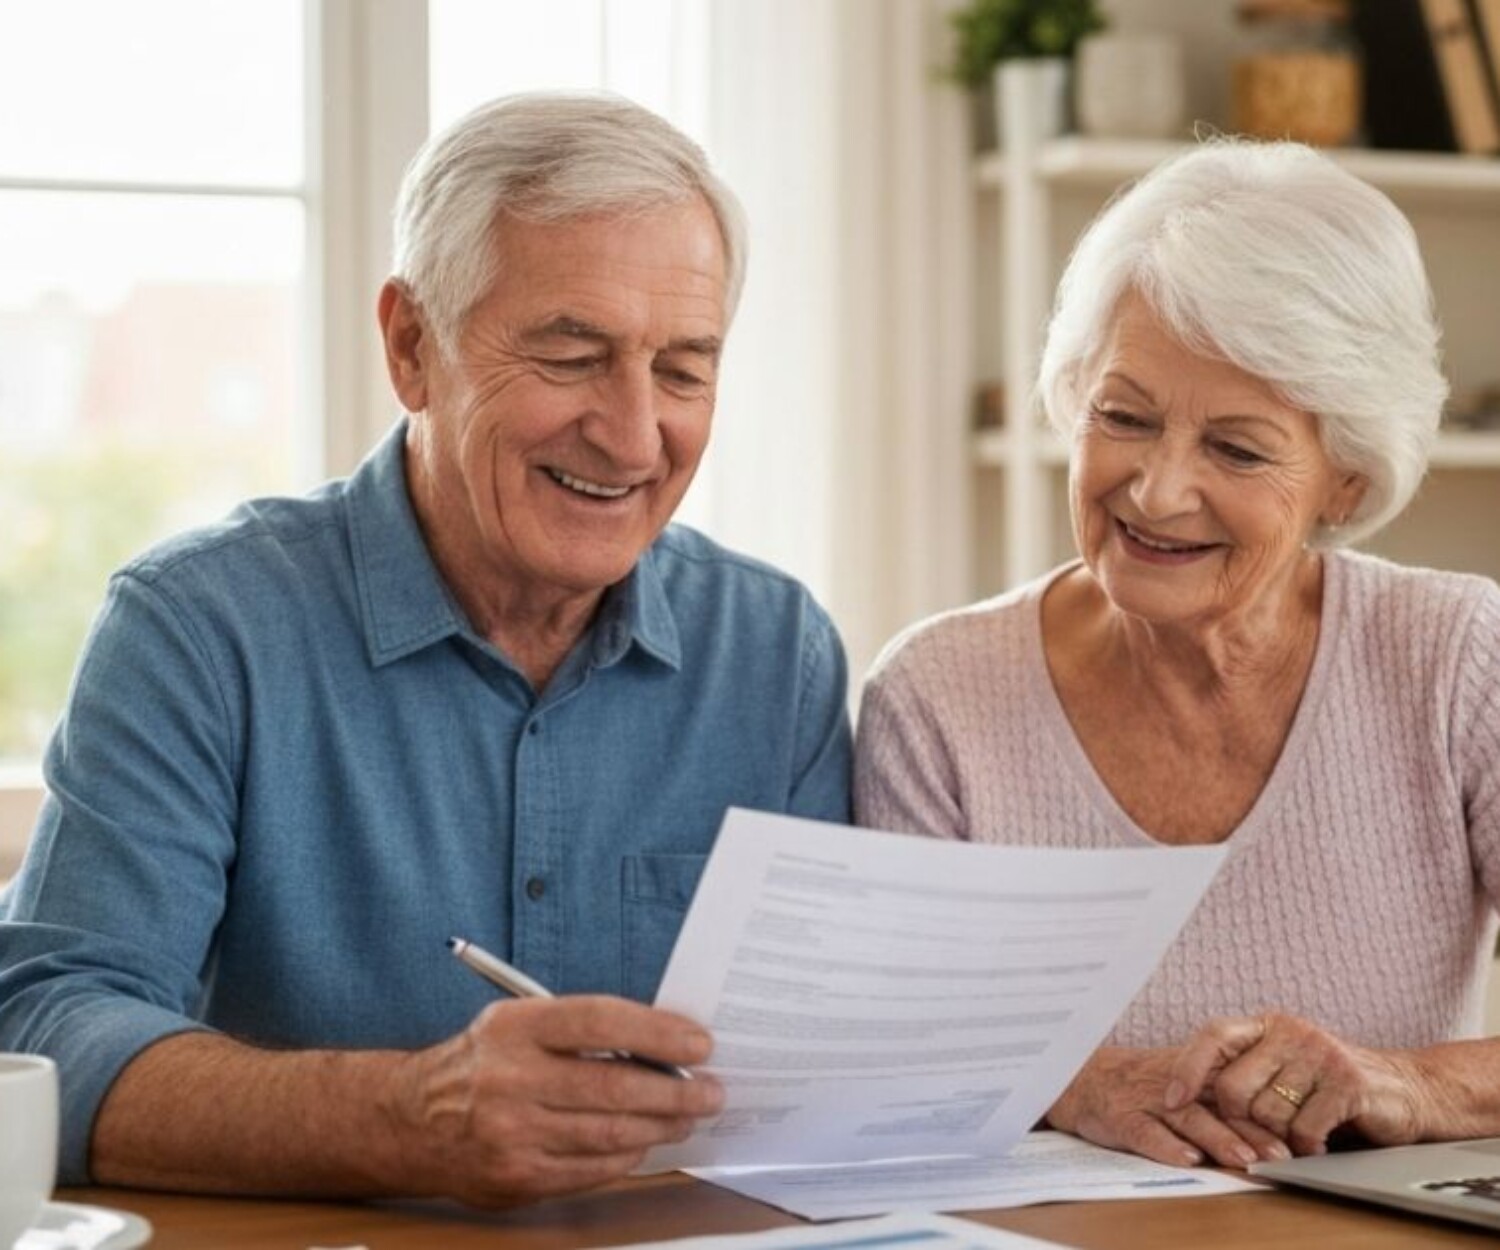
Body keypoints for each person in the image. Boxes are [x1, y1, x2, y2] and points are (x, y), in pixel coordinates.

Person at [0, 93, 851, 1205]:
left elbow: (833, 1059)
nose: (637, 433)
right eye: (571, 354)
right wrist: (406, 1115)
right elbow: (47, 1032)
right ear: (412, 346)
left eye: (684, 369)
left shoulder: (776, 652)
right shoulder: (198, 628)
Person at [855, 140, 1500, 1171]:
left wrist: (1407, 1080)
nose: (1156, 489)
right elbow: (893, 1050)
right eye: (1125, 417)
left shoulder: (1457, 657)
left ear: (1344, 479)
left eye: (1237, 448)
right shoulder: (937, 696)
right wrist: (1086, 1080)